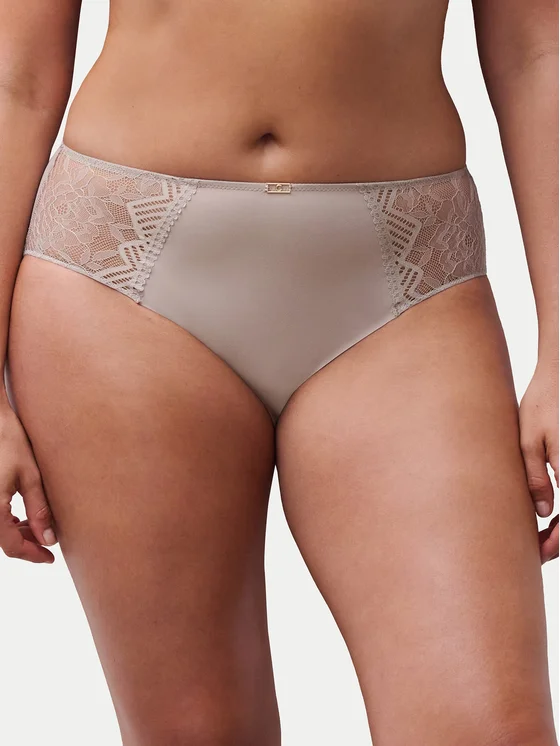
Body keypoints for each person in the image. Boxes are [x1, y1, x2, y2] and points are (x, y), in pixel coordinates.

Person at [0, 0, 558, 744]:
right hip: (122, 277)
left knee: (492, 728)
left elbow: (537, 52)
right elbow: (16, 75)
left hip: (406, 282)